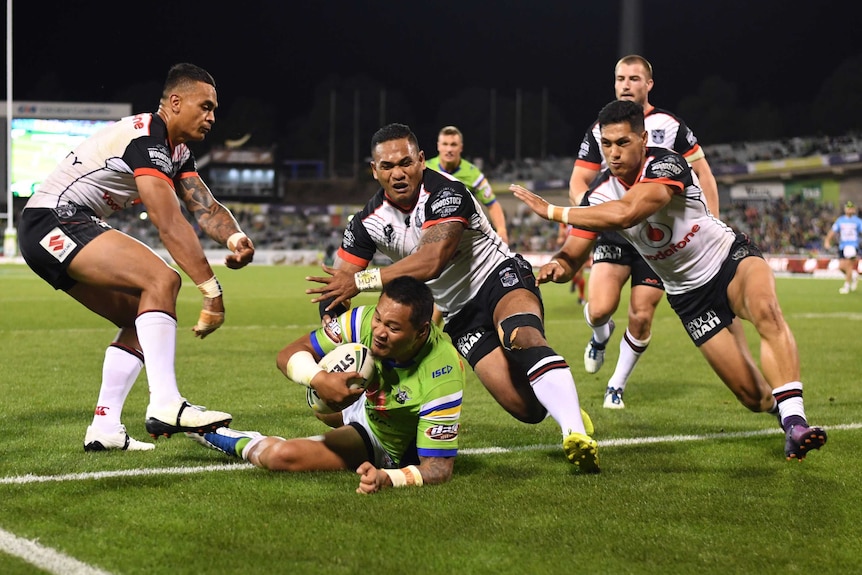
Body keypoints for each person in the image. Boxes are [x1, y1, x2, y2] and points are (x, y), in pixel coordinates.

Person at [512, 99, 827, 461]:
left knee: (766, 310)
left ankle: (796, 423)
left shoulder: (666, 162)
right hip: (689, 298)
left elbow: (630, 211)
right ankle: (781, 413)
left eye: (623, 143)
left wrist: (552, 210)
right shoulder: (597, 194)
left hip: (728, 260)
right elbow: (576, 248)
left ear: (643, 138)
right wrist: (559, 265)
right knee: (753, 397)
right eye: (607, 145)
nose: (613, 153)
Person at [306, 123, 599, 473]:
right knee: (528, 409)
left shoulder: (447, 192)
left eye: (406, 162)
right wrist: (330, 314)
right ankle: (560, 400)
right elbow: (340, 279)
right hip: (459, 313)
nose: (398, 173)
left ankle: (576, 433)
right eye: (387, 166)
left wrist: (362, 280)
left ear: (421, 160)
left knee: (521, 336)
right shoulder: (366, 222)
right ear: (374, 170)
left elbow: (432, 261)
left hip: (498, 277)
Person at [17, 63, 256, 452]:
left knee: (141, 316)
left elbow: (205, 206)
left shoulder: (175, 151)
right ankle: (166, 403)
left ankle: (105, 427)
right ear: (175, 102)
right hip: (55, 219)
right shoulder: (146, 138)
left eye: (214, 109)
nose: (212, 117)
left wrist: (236, 237)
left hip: (52, 227)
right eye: (205, 106)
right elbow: (169, 223)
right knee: (163, 280)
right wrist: (211, 289)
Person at [188, 276, 464, 494]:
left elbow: (438, 468)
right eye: (379, 318)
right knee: (322, 403)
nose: (379, 331)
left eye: (393, 328)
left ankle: (210, 431)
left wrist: (389, 478)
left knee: (280, 457)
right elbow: (287, 354)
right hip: (366, 402)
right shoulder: (363, 320)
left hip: (386, 440)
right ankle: (341, 405)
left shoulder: (443, 374)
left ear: (421, 332)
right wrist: (320, 379)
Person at [568, 54, 720, 410]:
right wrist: (596, 213)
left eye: (634, 78)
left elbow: (704, 174)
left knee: (641, 313)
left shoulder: (670, 125)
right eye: (620, 78)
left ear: (649, 84)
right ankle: (599, 335)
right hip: (616, 231)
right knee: (600, 309)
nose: (626, 84)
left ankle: (616, 385)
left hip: (659, 237)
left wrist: (712, 220)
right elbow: (579, 179)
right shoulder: (600, 128)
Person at [426, 125, 509, 245]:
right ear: (438, 146)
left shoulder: (473, 174)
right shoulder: (425, 169)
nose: (449, 149)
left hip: (463, 238)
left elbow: (492, 204)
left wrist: (502, 229)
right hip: (431, 234)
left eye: (453, 145)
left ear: (461, 147)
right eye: (445, 144)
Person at [823, 201, 862, 294]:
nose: (849, 209)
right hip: (842, 246)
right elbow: (833, 231)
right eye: (847, 207)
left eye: (851, 207)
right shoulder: (840, 220)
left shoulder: (858, 221)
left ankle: (847, 286)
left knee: (848, 266)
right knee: (841, 267)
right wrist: (827, 241)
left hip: (852, 245)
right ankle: (853, 276)